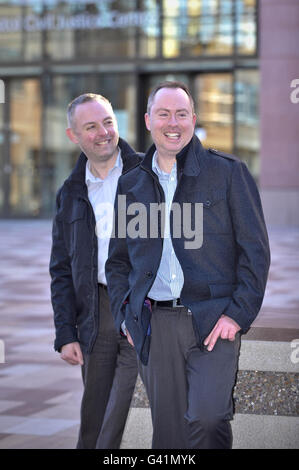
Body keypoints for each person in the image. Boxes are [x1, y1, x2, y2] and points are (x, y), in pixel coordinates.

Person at [105, 81, 271, 449]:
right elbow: (117, 262)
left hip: (212, 320)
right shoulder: (130, 184)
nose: (173, 122)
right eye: (163, 114)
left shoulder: (228, 172)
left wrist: (237, 314)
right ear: (149, 120)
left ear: (194, 119)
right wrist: (123, 316)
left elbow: (255, 252)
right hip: (154, 324)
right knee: (169, 435)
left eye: (182, 114)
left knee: (209, 418)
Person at [49, 93, 142, 449]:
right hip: (96, 312)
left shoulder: (148, 175)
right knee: (94, 416)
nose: (103, 132)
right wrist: (65, 331)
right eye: (91, 126)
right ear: (74, 136)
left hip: (141, 305)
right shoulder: (69, 192)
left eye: (108, 122)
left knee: (116, 416)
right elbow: (60, 268)